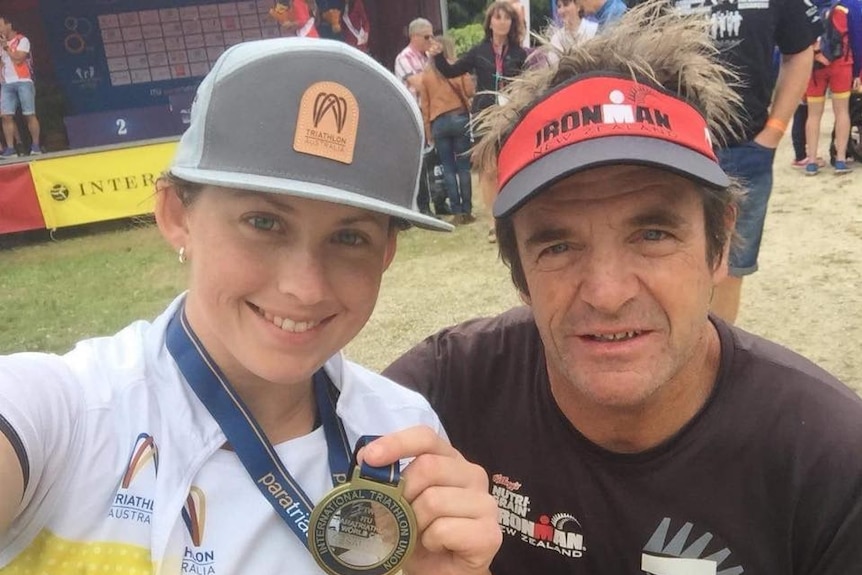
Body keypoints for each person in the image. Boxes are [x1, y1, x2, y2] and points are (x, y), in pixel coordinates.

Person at [383, 4, 862, 575]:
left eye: (653, 234)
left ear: (720, 242)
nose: (607, 294)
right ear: (518, 272)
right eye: (558, 246)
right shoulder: (443, 393)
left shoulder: (830, 466)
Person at [0, 38, 501, 574]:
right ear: (176, 214)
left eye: (349, 238)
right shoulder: (64, 413)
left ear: (386, 254)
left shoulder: (405, 440)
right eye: (264, 222)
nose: (305, 287)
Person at [671, 0, 818, 324]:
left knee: (730, 269)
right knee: (668, 261)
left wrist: (774, 131)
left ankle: (711, 361)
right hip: (676, 147)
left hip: (746, 150)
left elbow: (799, 48)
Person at [431, 1, 528, 242]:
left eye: (506, 18)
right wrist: (438, 57)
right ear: (490, 22)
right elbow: (452, 71)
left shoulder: (519, 53)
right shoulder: (479, 51)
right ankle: (495, 223)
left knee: (511, 166)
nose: (502, 22)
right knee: (487, 169)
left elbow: (528, 83)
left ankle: (513, 217)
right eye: (498, 17)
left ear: (512, 23)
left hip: (510, 114)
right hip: (485, 114)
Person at [394, 17, 451, 218]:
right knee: (422, 161)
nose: (431, 40)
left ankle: (441, 201)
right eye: (427, 36)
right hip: (415, 112)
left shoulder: (429, 56)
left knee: (438, 159)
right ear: (414, 36)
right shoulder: (404, 58)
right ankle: (423, 206)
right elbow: (420, 84)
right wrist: (435, 73)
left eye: (432, 35)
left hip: (433, 110)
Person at [419, 35, 476, 225]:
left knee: (448, 167)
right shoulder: (458, 67)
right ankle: (468, 210)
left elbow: (425, 107)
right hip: (459, 118)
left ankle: (457, 211)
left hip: (439, 124)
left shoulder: (426, 75)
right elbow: (469, 91)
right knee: (463, 167)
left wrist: (428, 133)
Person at [803, 0, 862, 175]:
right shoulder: (844, 7)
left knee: (813, 115)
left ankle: (812, 161)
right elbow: (857, 40)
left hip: (815, 67)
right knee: (842, 112)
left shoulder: (807, 7)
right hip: (841, 64)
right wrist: (858, 71)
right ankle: (841, 160)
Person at [0, 15, 41, 157]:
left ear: (9, 25)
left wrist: (6, 47)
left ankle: (36, 146)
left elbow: (18, 59)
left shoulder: (22, 40)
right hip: (6, 83)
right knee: (5, 116)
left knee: (29, 114)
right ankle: (11, 149)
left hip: (23, 81)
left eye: (0, 26)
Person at [547, 0, 598, 64]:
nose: (561, 11)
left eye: (566, 5)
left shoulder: (594, 30)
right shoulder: (556, 39)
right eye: (559, 6)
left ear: (578, 6)